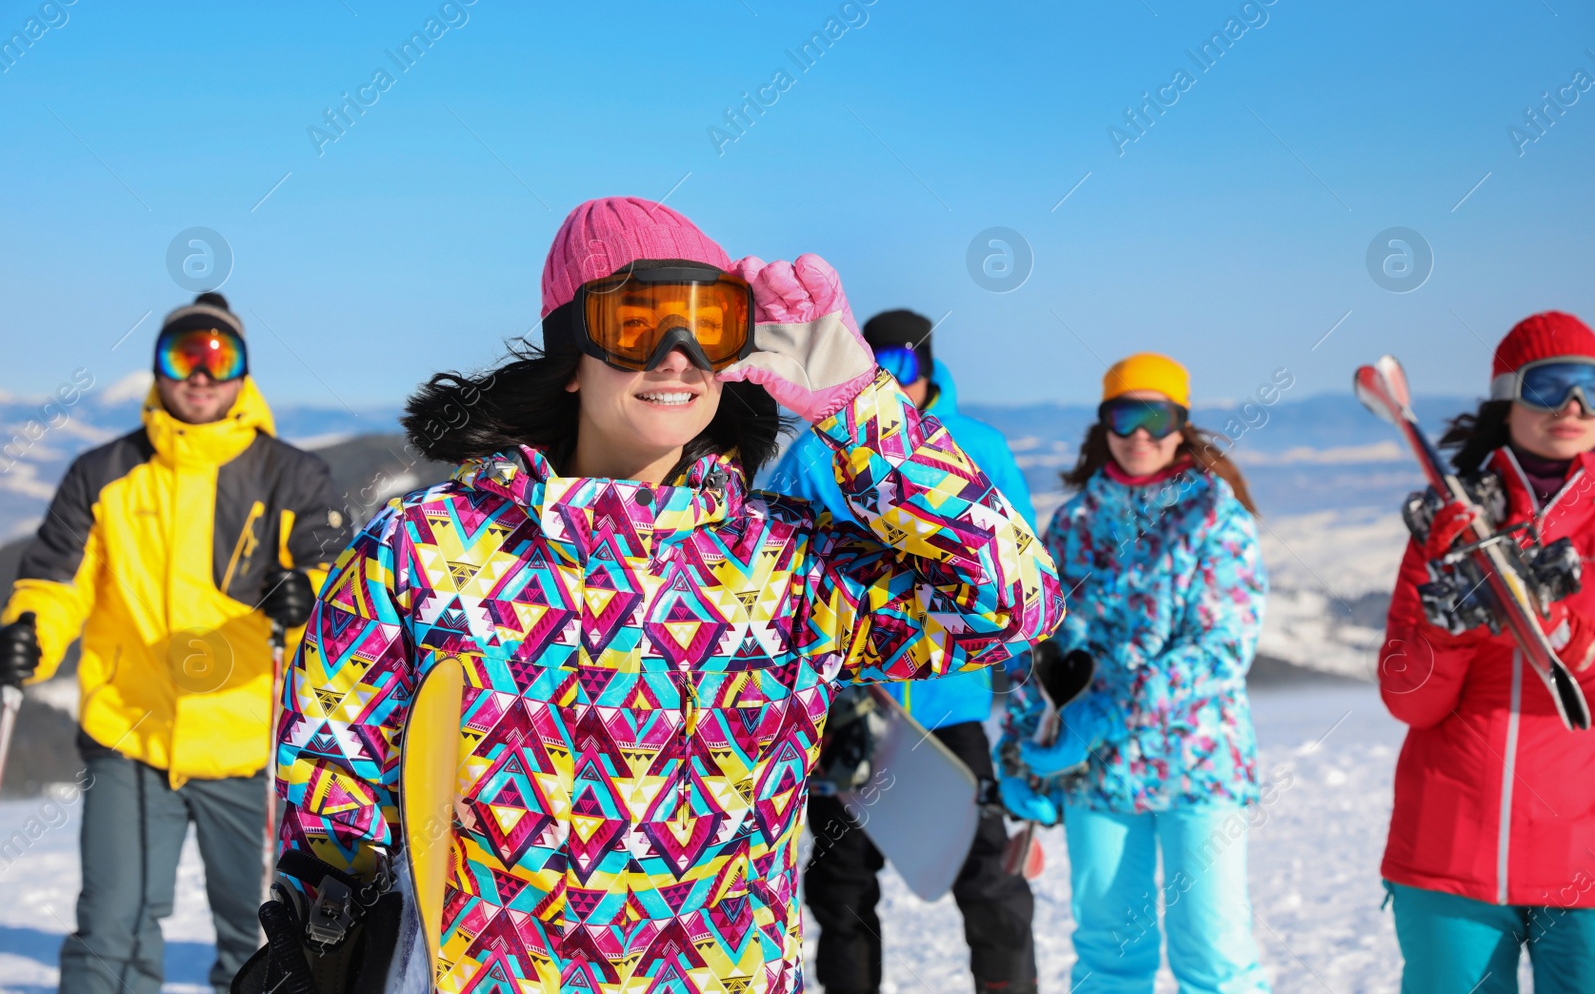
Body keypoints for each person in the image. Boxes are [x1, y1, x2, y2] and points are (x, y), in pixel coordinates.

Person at [246, 197, 1064, 994]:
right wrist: (327, 928)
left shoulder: (784, 561)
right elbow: (333, 769)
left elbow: (1013, 603)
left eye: (707, 324)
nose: (678, 354)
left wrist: (860, 406)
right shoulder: (426, 549)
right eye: (638, 322)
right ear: (572, 356)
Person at [0, 292, 342, 994]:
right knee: (112, 929)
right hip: (130, 732)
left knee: (256, 934)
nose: (200, 373)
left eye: (220, 356)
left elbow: (333, 584)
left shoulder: (291, 475)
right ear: (158, 368)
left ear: (244, 372)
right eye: (183, 354)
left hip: (248, 742)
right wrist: (31, 630)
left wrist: (302, 596)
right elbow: (56, 580)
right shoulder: (103, 472)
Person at [766, 308, 1039, 994]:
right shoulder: (812, 451)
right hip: (853, 709)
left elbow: (1020, 564)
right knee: (843, 888)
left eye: (905, 364)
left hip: (950, 710)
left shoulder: (976, 446)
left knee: (989, 882)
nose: (890, 377)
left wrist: (1030, 691)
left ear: (929, 365)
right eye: (876, 361)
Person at [998, 352, 1271, 994]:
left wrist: (1109, 713)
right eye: (1127, 414)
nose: (1141, 433)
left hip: (1200, 766)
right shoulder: (1073, 526)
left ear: (1181, 425)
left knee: (1214, 954)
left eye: (1158, 416)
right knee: (1108, 952)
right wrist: (1021, 753)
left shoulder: (1215, 519)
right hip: (1099, 774)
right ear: (1105, 423)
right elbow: (1033, 645)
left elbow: (1222, 648)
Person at [1377, 310, 1595, 993]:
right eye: (1550, 385)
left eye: (1592, 387)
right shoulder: (1451, 526)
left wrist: (1564, 630)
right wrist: (1452, 624)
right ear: (1507, 397)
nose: (1573, 405)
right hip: (1450, 857)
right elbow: (1409, 700)